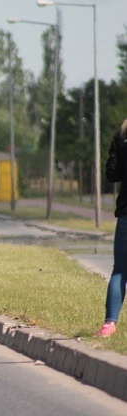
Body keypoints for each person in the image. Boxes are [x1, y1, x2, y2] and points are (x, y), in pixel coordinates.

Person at [95, 119, 127, 337]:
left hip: (126, 212)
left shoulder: (121, 137)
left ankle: (109, 325)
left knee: (121, 270)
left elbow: (112, 174)